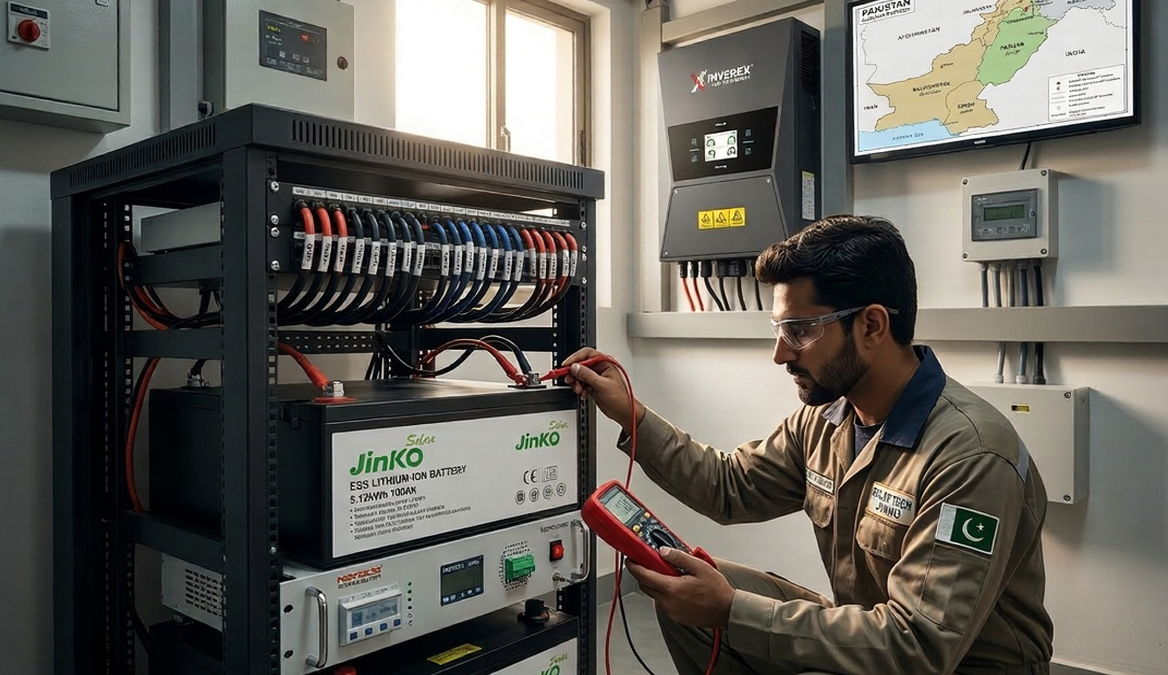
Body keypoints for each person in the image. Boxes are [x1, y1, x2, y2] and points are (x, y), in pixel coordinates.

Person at [562, 215, 1054, 675]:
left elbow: (919, 645)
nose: (780, 354)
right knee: (687, 593)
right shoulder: (827, 418)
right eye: (780, 330)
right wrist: (632, 413)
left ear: (872, 326)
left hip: (956, 663)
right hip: (870, 630)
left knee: (721, 607)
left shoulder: (972, 456)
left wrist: (733, 610)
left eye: (799, 332)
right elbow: (729, 486)